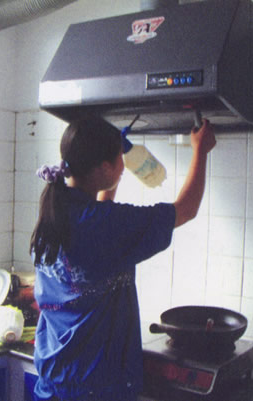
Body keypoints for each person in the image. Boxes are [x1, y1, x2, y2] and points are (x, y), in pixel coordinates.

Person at [29, 117, 216, 401]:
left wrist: (115, 166)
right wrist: (200, 150)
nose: (123, 164)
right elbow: (186, 209)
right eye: (119, 159)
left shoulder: (56, 209)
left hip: (54, 378)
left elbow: (99, 221)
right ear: (105, 168)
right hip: (94, 387)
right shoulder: (105, 225)